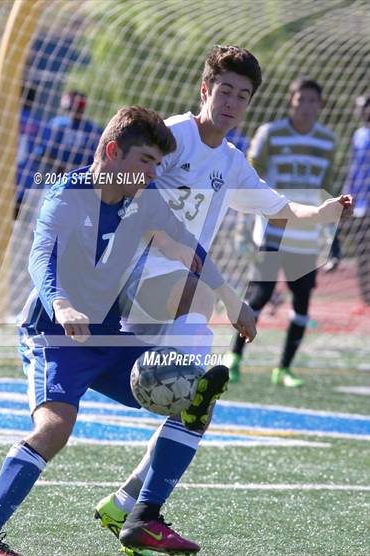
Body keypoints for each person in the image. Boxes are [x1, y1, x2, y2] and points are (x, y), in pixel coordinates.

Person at [0, 105, 256, 556]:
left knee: (196, 400)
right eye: (145, 161)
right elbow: (41, 256)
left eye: (158, 164)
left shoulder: (145, 199)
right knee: (56, 427)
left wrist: (233, 300)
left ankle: (142, 518)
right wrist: (61, 304)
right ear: (113, 151)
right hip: (55, 335)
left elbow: (188, 248)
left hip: (109, 334)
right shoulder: (66, 194)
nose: (153, 173)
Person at [94, 46, 353, 555]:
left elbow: (278, 208)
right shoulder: (172, 137)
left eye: (244, 95)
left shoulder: (232, 161)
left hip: (178, 283)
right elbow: (119, 176)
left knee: (197, 403)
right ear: (205, 89)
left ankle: (132, 507)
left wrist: (321, 215)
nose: (233, 101)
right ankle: (140, 511)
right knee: (197, 363)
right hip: (138, 274)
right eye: (225, 90)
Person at [228, 77, 339, 387]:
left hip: (307, 234)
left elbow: (326, 188)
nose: (306, 106)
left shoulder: (328, 141)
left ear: (321, 105)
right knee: (259, 295)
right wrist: (243, 223)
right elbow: (249, 177)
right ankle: (234, 357)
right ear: (291, 101)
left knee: (302, 302)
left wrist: (333, 235)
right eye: (300, 100)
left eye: (312, 101)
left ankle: (284, 369)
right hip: (273, 228)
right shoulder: (271, 134)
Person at [343, 95, 370, 314]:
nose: (362, 111)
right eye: (360, 107)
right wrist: (348, 193)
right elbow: (354, 168)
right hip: (361, 205)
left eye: (366, 107)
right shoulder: (358, 135)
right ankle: (366, 299)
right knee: (363, 254)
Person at [36, 90, 103, 176]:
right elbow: (42, 152)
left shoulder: (94, 130)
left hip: (79, 180)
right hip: (61, 179)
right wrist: (58, 166)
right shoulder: (56, 124)